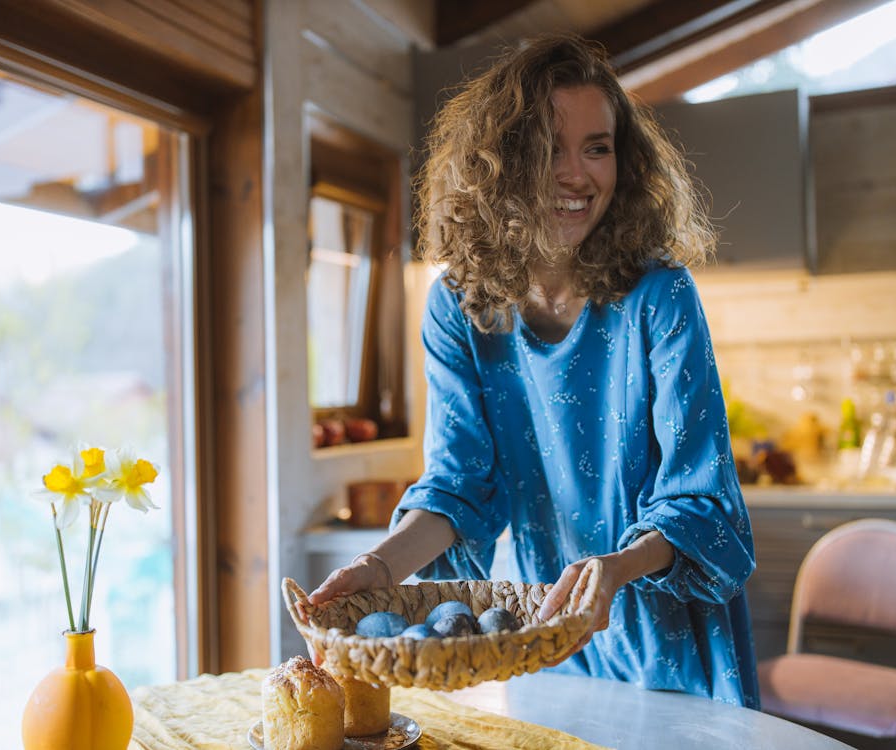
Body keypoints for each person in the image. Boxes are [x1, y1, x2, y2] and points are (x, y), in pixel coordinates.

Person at [309, 32, 759, 709]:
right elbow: (458, 486)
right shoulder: (456, 308)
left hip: (667, 639)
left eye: (597, 147)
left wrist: (615, 569)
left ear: (624, 161)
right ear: (499, 164)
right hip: (542, 638)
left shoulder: (659, 297)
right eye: (547, 149)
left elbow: (701, 500)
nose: (576, 175)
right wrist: (377, 568)